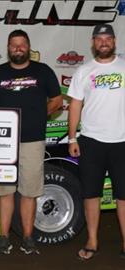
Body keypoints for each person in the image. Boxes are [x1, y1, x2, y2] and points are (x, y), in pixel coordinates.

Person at [0, 29, 62, 255]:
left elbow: (57, 100)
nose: (18, 48)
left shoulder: (43, 71)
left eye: (22, 44)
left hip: (32, 140)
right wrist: (1, 121)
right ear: (8, 48)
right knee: (4, 191)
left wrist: (40, 114)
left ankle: (28, 238)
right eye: (13, 45)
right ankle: (3, 237)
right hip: (3, 143)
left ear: (28, 47)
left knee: (29, 191)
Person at [68, 24, 125, 260]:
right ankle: (92, 240)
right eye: (99, 39)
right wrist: (72, 136)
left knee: (124, 196)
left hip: (122, 141)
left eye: (108, 38)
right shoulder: (83, 70)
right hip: (91, 141)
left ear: (114, 41)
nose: (104, 42)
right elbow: (75, 105)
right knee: (91, 194)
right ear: (93, 42)